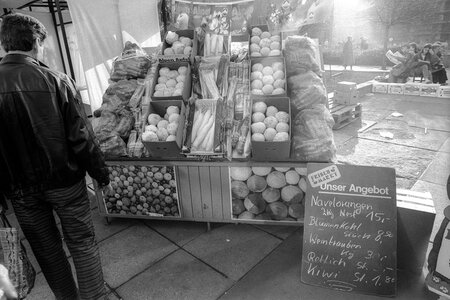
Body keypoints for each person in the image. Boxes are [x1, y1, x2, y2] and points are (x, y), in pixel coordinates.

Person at [0, 13, 110, 300]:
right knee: (82, 242)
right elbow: (82, 137)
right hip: (65, 183)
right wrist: (101, 175)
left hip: (20, 190)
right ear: (36, 42)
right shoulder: (56, 80)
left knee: (47, 251)